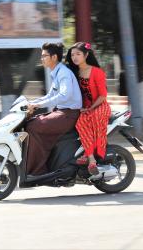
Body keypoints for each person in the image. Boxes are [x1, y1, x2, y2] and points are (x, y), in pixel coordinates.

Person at [26, 42, 82, 175]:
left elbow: (64, 95)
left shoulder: (63, 73)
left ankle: (38, 169)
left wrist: (38, 105)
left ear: (54, 57)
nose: (42, 59)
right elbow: (50, 95)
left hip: (69, 114)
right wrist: (31, 103)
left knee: (33, 126)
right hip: (62, 112)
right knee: (29, 123)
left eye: (44, 56)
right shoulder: (56, 73)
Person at [65, 42, 111, 175]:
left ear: (86, 55)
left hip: (100, 106)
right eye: (72, 54)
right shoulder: (74, 73)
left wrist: (90, 108)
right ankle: (91, 160)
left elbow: (103, 95)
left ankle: (95, 155)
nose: (75, 57)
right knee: (80, 123)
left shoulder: (97, 72)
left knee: (95, 119)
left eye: (78, 54)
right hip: (85, 108)